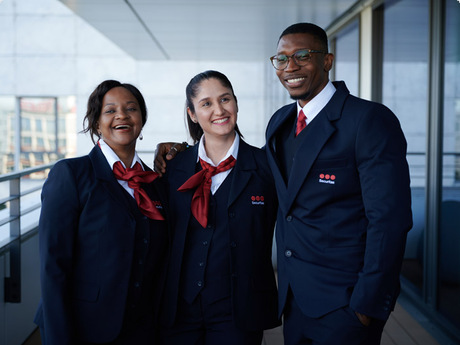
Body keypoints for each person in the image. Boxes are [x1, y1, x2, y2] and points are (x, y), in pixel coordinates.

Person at [155, 23, 413, 345]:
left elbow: (390, 220)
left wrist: (368, 304)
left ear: (327, 61)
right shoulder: (281, 122)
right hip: (294, 303)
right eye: (282, 59)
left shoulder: (368, 120)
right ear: (192, 113)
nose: (290, 66)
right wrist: (178, 151)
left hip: (345, 304)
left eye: (302, 55)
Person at [34, 80, 169, 345]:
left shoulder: (156, 183)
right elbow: (53, 266)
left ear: (141, 120)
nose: (122, 115)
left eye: (131, 108)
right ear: (96, 123)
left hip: (143, 329)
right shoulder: (72, 175)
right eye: (110, 110)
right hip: (82, 327)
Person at [160, 70, 280, 345]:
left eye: (225, 99)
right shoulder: (173, 167)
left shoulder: (266, 167)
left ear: (236, 103)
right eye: (206, 104)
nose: (219, 110)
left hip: (239, 310)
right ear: (192, 113)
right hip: (180, 308)